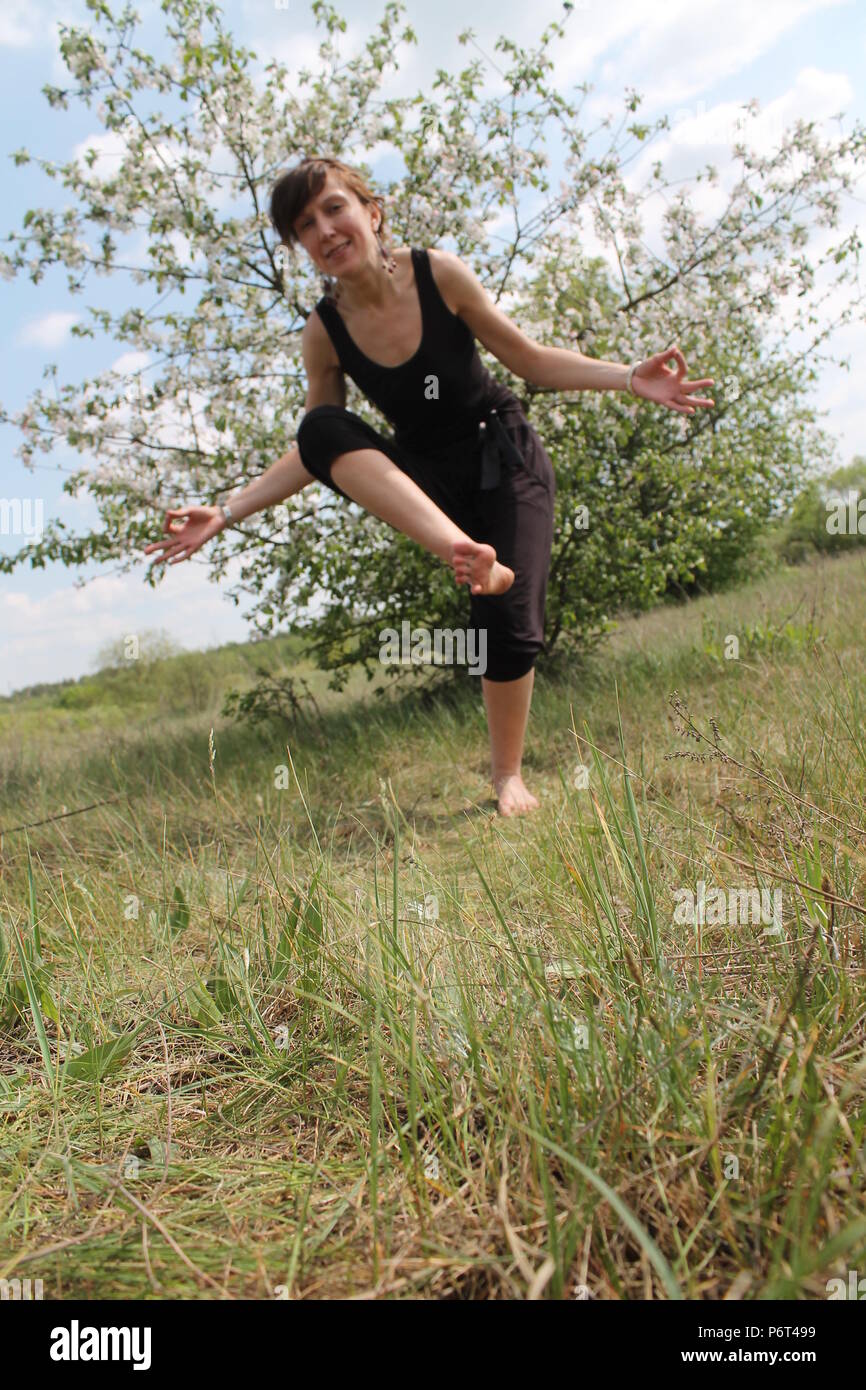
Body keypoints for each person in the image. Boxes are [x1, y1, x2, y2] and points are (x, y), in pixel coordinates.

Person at [145, 156, 714, 816]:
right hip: (428, 481)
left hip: (501, 452)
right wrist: (226, 511)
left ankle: (508, 776)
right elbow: (315, 449)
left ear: (371, 212)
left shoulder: (436, 273)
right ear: (299, 245)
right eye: (306, 224)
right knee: (323, 426)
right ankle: (465, 552)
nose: (325, 229)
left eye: (335, 208)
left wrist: (626, 377)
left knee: (508, 623)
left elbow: (527, 360)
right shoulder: (323, 335)